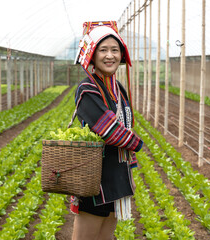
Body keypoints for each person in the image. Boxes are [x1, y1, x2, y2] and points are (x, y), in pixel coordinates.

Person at [71, 21, 143, 240]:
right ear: (92, 55)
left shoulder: (118, 88)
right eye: (103, 50)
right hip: (95, 180)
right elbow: (109, 129)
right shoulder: (87, 89)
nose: (110, 55)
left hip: (117, 177)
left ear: (122, 55)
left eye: (115, 49)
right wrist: (137, 143)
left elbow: (125, 123)